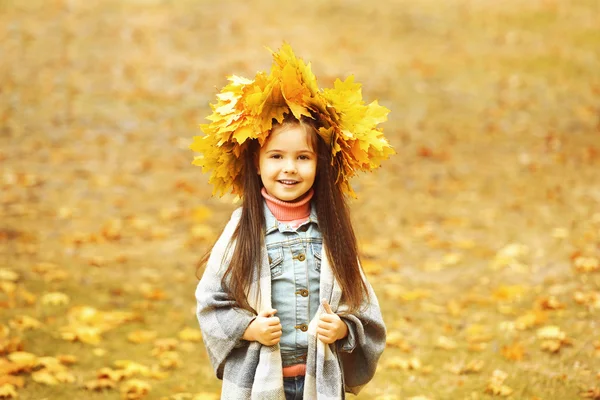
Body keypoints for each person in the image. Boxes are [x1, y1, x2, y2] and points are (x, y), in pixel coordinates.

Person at [191, 43, 393, 400]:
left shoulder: (332, 234)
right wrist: (249, 328)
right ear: (256, 163)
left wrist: (344, 329)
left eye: (303, 157)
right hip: (260, 382)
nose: (289, 168)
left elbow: (362, 306)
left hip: (319, 381)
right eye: (276, 156)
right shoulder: (243, 230)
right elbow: (211, 300)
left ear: (320, 165)